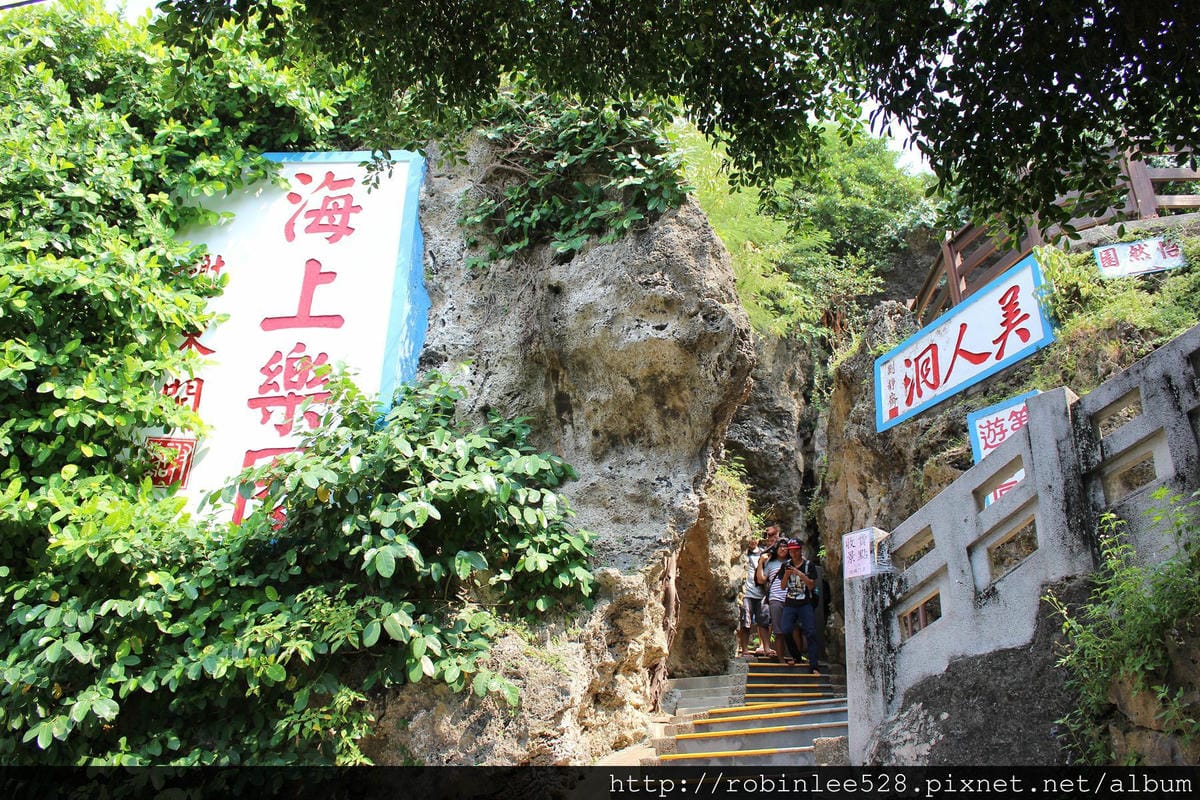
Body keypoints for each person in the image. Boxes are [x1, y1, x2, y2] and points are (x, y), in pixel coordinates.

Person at [779, 539, 822, 675]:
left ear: (801, 550)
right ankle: (796, 656)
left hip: (805, 603)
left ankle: (814, 665)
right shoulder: (786, 565)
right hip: (790, 603)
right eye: (791, 550)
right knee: (786, 629)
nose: (794, 553)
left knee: (810, 632)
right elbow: (782, 586)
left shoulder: (809, 566)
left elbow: (811, 585)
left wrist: (800, 574)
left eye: (796, 550)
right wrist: (786, 575)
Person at [758, 536, 802, 665]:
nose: (783, 549)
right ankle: (781, 659)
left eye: (785, 546)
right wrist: (761, 562)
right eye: (780, 546)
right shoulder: (770, 564)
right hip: (776, 599)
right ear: (776, 548)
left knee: (795, 629)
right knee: (779, 631)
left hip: (792, 598)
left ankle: (797, 658)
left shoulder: (794, 562)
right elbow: (761, 580)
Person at [737, 525, 779, 657]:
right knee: (746, 622)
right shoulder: (741, 553)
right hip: (746, 593)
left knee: (764, 621)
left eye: (755, 538)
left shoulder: (763, 553)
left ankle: (766, 647)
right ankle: (744, 649)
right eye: (750, 538)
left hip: (761, 593)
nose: (752, 541)